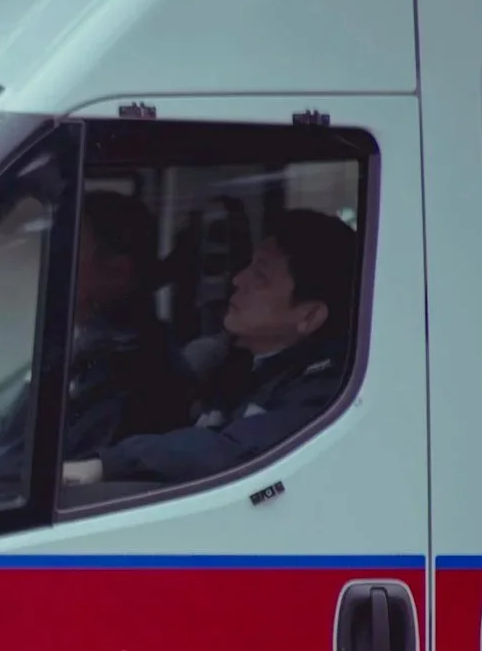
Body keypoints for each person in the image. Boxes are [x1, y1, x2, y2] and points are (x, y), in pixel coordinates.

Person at [63, 207, 360, 487]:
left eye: (261, 277)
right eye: (248, 267)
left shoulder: (328, 392)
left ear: (308, 315)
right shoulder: (226, 362)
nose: (238, 279)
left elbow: (232, 450)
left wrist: (109, 465)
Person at [0, 190, 191, 494]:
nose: (52, 264)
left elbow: (17, 475)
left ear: (116, 272)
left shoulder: (130, 365)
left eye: (69, 252)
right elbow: (3, 438)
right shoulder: (82, 343)